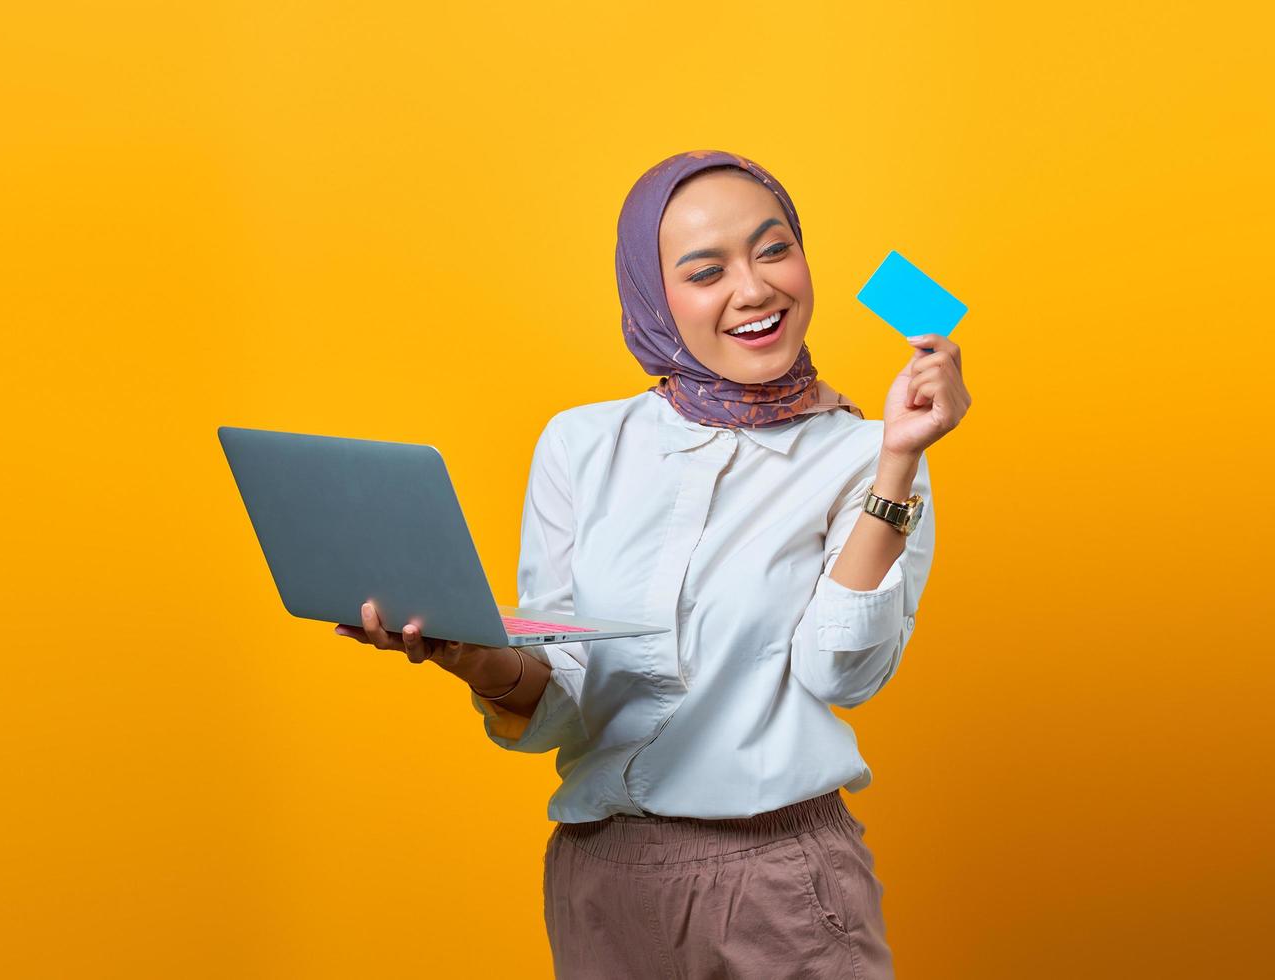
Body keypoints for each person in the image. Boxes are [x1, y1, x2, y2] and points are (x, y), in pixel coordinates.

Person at [334, 149, 971, 978]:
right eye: (706, 271)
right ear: (652, 295)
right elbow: (564, 702)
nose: (754, 290)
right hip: (600, 880)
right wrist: (473, 657)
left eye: (774, 250)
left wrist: (896, 464)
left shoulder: (861, 452)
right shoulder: (580, 443)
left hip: (777, 884)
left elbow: (838, 673)